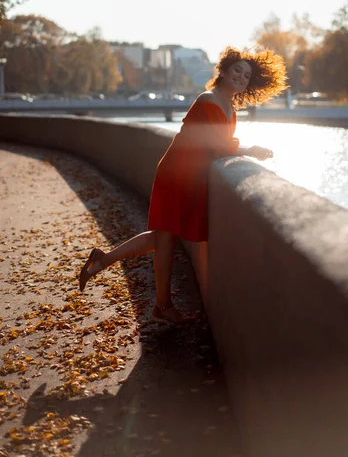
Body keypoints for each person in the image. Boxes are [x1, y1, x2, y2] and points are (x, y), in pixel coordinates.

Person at [79, 46, 287, 323]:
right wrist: (251, 150)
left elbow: (217, 147)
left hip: (189, 174)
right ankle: (162, 306)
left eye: (247, 75)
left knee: (164, 237)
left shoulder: (229, 108)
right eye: (237, 70)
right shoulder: (209, 99)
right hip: (178, 173)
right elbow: (217, 143)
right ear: (223, 71)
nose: (242, 76)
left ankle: (104, 260)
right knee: (165, 238)